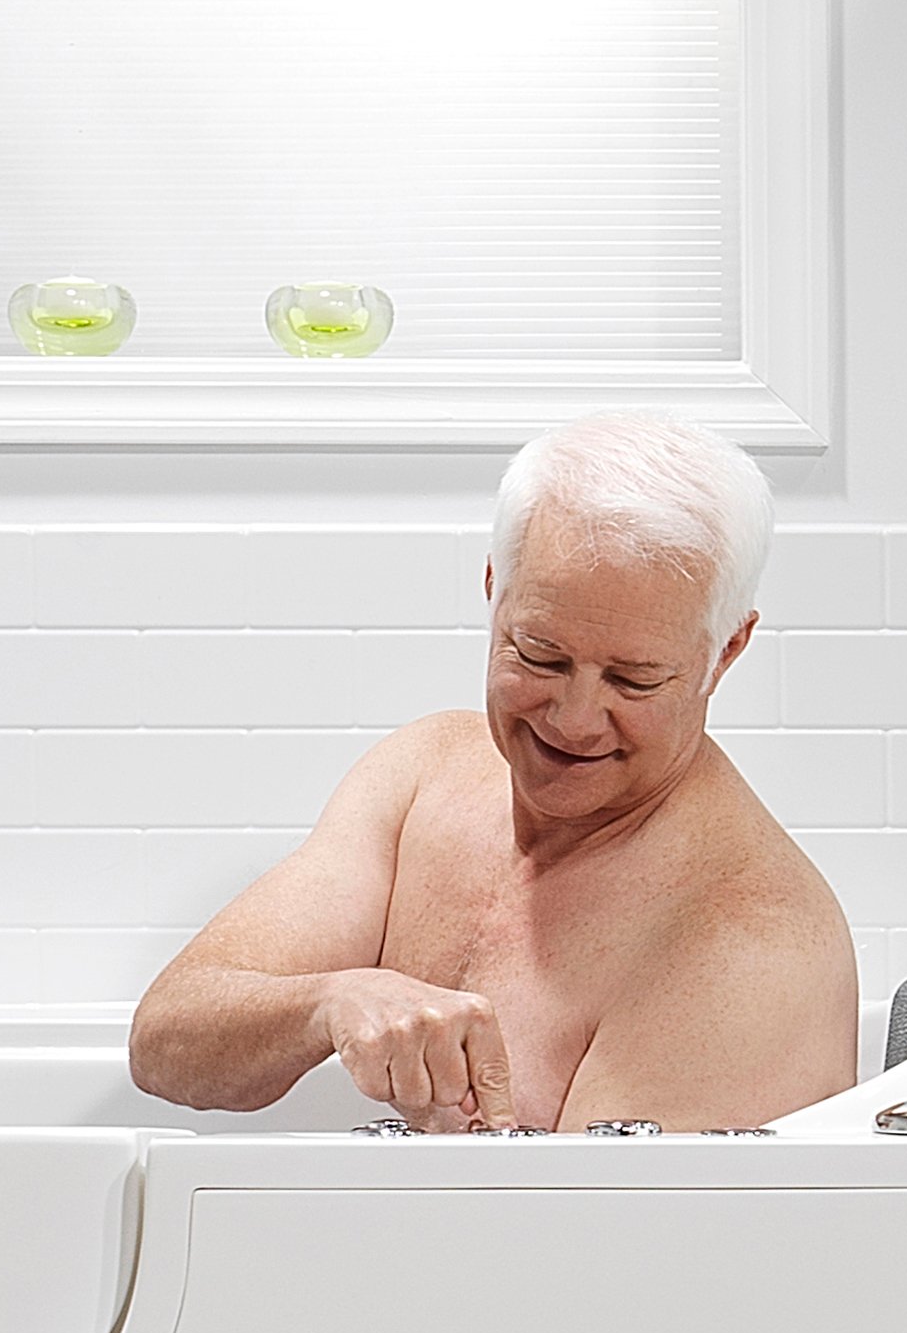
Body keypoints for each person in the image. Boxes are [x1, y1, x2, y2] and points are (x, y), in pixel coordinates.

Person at [128, 412, 857, 1133]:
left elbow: (604, 1245)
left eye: (633, 681)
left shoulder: (749, 951)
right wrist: (331, 1001)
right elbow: (165, 1044)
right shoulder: (423, 776)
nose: (572, 719)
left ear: (725, 652)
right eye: (539, 655)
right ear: (491, 592)